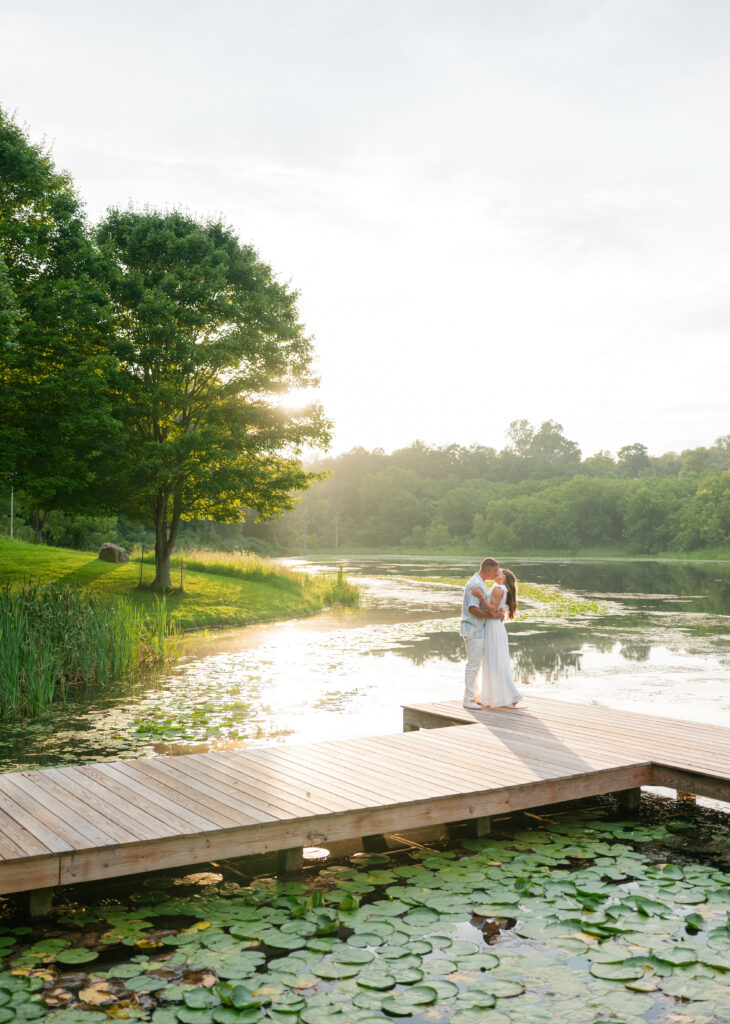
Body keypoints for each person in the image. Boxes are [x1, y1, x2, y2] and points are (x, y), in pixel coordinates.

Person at [472, 568, 525, 709]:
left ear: (505, 578)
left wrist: (480, 597)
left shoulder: (498, 588)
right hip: (495, 626)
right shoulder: (499, 587)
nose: (497, 573)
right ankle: (502, 696)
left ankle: (509, 696)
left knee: (494, 661)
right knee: (496, 661)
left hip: (493, 628)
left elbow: (492, 610)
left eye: (500, 572)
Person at [460, 557, 504, 709]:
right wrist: (491, 616)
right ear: (489, 570)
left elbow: (485, 606)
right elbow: (472, 609)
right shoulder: (475, 584)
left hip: (478, 630)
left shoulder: (481, 583)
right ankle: (468, 699)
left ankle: (475, 696)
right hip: (473, 629)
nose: (496, 573)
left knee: (476, 664)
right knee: (473, 665)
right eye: (495, 571)